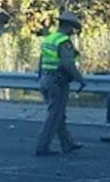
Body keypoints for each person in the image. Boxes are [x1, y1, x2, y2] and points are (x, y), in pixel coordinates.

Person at [35, 11, 86, 156]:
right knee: (54, 116)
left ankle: (67, 143)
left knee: (58, 115)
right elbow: (68, 64)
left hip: (46, 79)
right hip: (57, 81)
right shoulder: (64, 42)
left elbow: (41, 61)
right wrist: (81, 80)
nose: (74, 31)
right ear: (68, 26)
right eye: (74, 27)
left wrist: (40, 78)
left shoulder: (49, 39)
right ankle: (42, 147)